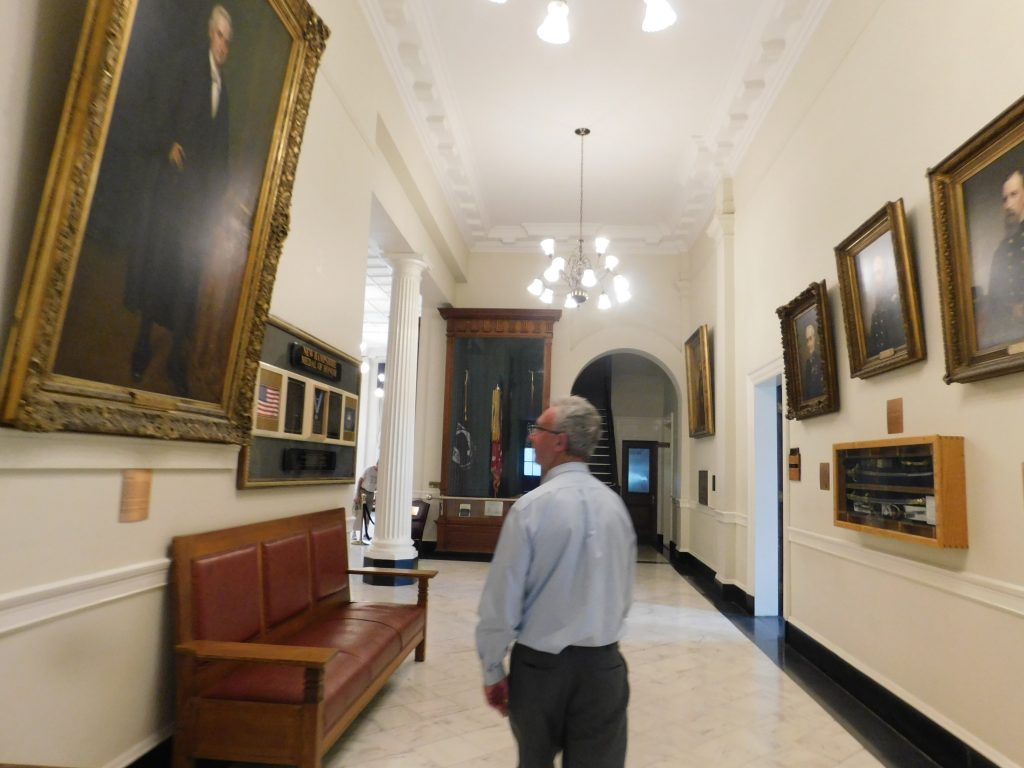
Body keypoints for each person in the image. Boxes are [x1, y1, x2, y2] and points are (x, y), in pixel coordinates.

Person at [476, 395, 636, 768]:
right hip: (603, 670)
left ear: (560, 441)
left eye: (539, 430)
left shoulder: (531, 508)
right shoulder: (616, 508)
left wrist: (492, 669)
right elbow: (624, 593)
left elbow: (502, 600)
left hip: (539, 672)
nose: (532, 438)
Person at [126, 5, 233, 396]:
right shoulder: (188, 69)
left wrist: (218, 197)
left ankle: (174, 360)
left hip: (198, 206)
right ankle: (140, 347)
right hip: (173, 195)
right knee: (158, 270)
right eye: (219, 36)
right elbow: (163, 113)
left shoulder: (225, 89)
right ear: (210, 35)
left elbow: (221, 152)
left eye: (228, 40)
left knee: (187, 282)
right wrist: (169, 142)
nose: (223, 45)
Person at [982, 169, 1024, 348]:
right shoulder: (1002, 250)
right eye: (1005, 199)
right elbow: (994, 301)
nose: (1008, 205)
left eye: (1014, 195)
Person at [863, 251, 905, 358]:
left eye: (880, 272)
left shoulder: (897, 302)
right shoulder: (876, 312)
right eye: (875, 274)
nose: (878, 278)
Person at [354, 461, 378, 542]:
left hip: (371, 494)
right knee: (358, 513)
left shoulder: (381, 473)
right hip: (363, 491)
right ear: (377, 464)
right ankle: (354, 534)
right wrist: (357, 495)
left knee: (368, 514)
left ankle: (366, 534)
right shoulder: (369, 470)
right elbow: (360, 481)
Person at [801, 322, 825, 399]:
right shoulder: (808, 363)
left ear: (816, 338)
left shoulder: (822, 359)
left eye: (810, 339)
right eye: (807, 340)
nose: (808, 344)